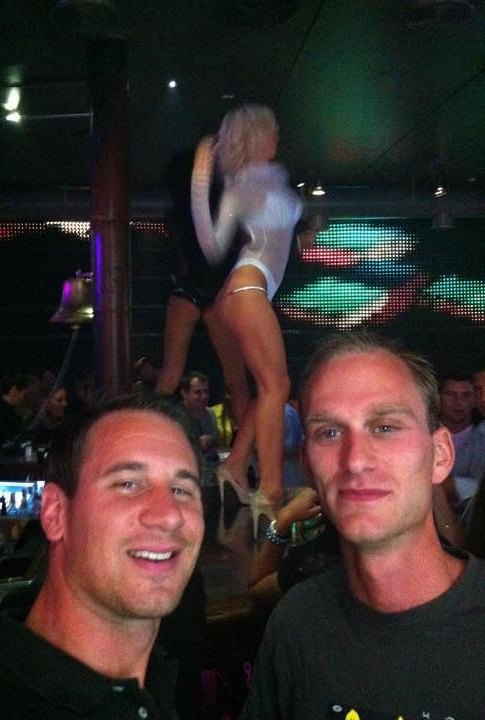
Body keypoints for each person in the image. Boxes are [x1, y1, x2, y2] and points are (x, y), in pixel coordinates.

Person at [241, 331, 485, 720]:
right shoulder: (297, 624)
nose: (355, 460)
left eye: (385, 427)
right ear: (308, 466)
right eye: (329, 433)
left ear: (440, 455)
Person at [0, 394, 205, 719]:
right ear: (55, 513)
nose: (169, 515)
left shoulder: (160, 680)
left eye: (181, 490)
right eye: (128, 484)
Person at [191, 104, 304, 519]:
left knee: (267, 387)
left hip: (249, 289)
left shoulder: (266, 181)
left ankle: (235, 466)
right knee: (277, 386)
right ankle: (270, 489)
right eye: (270, 132)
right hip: (247, 286)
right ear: (256, 138)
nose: (277, 139)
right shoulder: (241, 188)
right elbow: (212, 247)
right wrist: (200, 180)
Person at [156, 148, 250, 431]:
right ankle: (246, 445)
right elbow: (241, 245)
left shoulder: (177, 214)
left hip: (188, 288)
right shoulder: (226, 206)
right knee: (236, 377)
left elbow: (175, 254)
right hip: (217, 291)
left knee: (170, 375)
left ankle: (152, 431)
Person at [439, 374, 485, 516]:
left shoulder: (482, 436)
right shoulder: (422, 434)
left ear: (474, 400)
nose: (458, 402)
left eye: (466, 395)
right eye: (450, 394)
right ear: (439, 398)